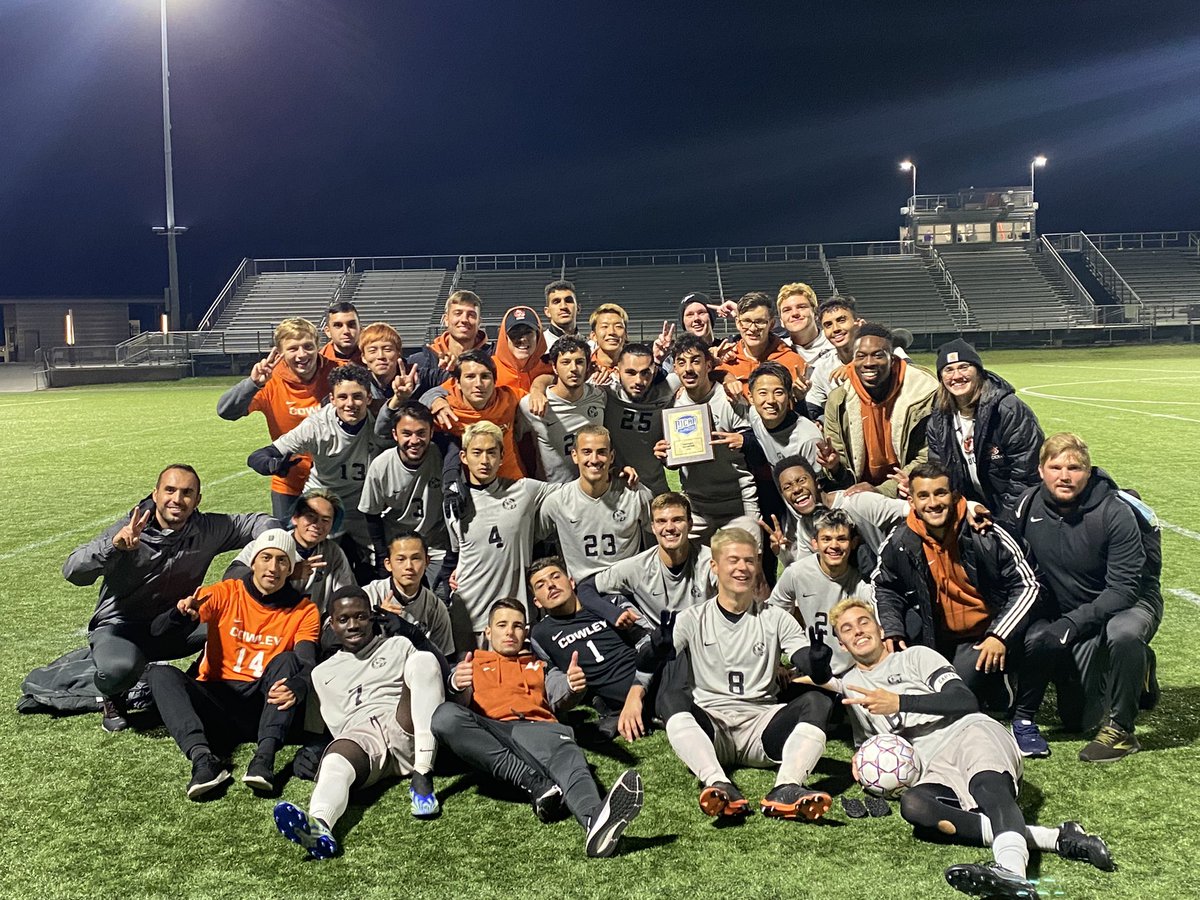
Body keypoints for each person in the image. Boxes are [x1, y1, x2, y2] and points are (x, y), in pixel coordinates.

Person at [832, 598, 1114, 899]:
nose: (858, 631)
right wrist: (860, 759)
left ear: (878, 627)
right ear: (843, 644)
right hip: (933, 764)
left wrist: (900, 702)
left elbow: (964, 699)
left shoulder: (915, 657)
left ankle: (1013, 875)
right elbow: (869, 740)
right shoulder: (852, 684)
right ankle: (1057, 837)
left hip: (970, 730)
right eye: (847, 629)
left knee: (986, 787)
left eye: (863, 622)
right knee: (916, 807)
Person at [64, 463, 275, 731]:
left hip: (175, 625)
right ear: (155, 494)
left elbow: (257, 523)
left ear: (197, 499)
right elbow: (73, 571)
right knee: (118, 670)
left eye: (187, 492)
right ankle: (112, 694)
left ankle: (196, 685)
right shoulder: (129, 529)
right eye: (170, 490)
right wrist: (112, 547)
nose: (177, 499)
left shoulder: (207, 529)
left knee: (239, 622)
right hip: (121, 628)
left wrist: (280, 544)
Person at [431, 598, 645, 858]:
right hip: (495, 734)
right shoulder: (471, 664)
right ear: (488, 632)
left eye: (517, 626)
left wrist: (573, 686)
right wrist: (456, 684)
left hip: (544, 732)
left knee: (573, 767)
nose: (510, 632)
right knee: (444, 716)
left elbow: (560, 694)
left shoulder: (540, 665)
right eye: (502, 625)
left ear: (526, 632)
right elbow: (457, 710)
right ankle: (535, 783)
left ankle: (595, 823)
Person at [662, 527, 836, 821]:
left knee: (819, 702)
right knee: (670, 698)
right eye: (733, 561)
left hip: (762, 726)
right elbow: (651, 660)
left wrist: (817, 662)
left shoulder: (775, 617)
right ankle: (718, 782)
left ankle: (786, 788)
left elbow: (806, 661)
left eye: (750, 561)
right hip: (712, 726)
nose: (743, 568)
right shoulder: (692, 618)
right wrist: (657, 648)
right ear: (714, 567)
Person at [1010, 433, 1162, 762]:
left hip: (1129, 603)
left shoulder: (1114, 511)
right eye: (1056, 467)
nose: (1065, 476)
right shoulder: (1027, 505)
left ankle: (1122, 730)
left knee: (1123, 634)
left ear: (1089, 473)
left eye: (1075, 468)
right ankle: (1140, 668)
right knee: (1078, 720)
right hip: (1077, 611)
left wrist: (1071, 623)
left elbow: (1123, 590)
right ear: (1041, 471)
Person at [145, 529, 319, 799]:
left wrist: (299, 684)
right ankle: (203, 760)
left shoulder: (304, 610)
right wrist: (179, 616)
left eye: (282, 561)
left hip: (265, 706)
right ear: (253, 562)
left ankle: (264, 759)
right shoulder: (226, 593)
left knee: (287, 660)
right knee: (159, 674)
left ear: (291, 569)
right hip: (218, 700)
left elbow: (307, 662)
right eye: (266, 558)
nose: (272, 567)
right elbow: (158, 630)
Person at [273, 589, 445, 859]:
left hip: (404, 723)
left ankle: (422, 776)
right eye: (344, 619)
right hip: (362, 741)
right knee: (334, 761)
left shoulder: (398, 645)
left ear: (372, 618)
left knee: (424, 660)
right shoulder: (321, 673)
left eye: (361, 617)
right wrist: (308, 753)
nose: (353, 625)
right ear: (331, 623)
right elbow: (318, 732)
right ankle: (320, 826)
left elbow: (433, 679)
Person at [872, 462, 1039, 711]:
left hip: (984, 633)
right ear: (912, 502)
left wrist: (999, 635)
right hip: (938, 633)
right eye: (923, 496)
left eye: (940, 493)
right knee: (927, 687)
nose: (933, 503)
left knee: (958, 697)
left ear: (955, 495)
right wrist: (892, 628)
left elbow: (1027, 585)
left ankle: (1001, 675)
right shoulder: (900, 539)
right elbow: (883, 585)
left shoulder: (985, 531)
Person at [248, 363, 393, 576]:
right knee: (300, 567)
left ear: (369, 397)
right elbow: (258, 456)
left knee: (385, 567)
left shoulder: (382, 422)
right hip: (323, 508)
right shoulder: (317, 425)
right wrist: (272, 465)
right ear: (332, 399)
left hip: (365, 509)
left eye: (357, 396)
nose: (350, 404)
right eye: (342, 397)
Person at [445, 421, 557, 644]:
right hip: (470, 617)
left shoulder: (525, 490)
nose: (484, 460)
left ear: (502, 456)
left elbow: (574, 491)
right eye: (477, 453)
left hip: (516, 619)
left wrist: (617, 473)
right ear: (464, 457)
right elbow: (459, 552)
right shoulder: (454, 503)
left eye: (491, 453)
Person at [216, 317, 336, 519]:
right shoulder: (271, 381)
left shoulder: (335, 373)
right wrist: (253, 383)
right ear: (280, 353)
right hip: (288, 482)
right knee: (287, 544)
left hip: (333, 481)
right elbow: (226, 411)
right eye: (293, 348)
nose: (302, 354)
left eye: (308, 346)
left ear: (318, 346)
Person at [527, 558, 655, 741]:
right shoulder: (540, 634)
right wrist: (569, 685)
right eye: (540, 585)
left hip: (652, 680)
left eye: (555, 577)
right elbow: (552, 681)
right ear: (536, 602)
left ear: (571, 582)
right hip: (614, 699)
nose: (550, 585)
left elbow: (651, 642)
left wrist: (638, 688)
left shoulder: (607, 604)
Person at [925, 339, 1044, 527]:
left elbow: (1025, 473)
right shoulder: (938, 420)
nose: (956, 376)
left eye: (964, 367)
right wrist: (965, 509)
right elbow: (940, 472)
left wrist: (1005, 522)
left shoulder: (1007, 410)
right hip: (971, 512)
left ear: (978, 371)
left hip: (1014, 514)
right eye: (948, 370)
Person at [657, 334, 759, 544]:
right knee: (685, 563)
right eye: (681, 363)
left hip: (738, 498)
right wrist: (666, 456)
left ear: (709, 364)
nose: (689, 369)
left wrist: (742, 439)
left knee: (746, 566)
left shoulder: (729, 396)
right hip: (697, 504)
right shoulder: (672, 407)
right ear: (675, 368)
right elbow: (675, 462)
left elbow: (758, 440)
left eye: (695, 361)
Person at [820, 323, 938, 498]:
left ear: (892, 358)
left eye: (878, 355)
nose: (868, 363)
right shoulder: (838, 400)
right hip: (859, 495)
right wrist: (835, 467)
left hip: (910, 490)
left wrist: (884, 490)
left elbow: (928, 455)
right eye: (861, 356)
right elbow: (844, 472)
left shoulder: (923, 392)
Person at [579, 491, 717, 628]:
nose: (669, 528)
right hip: (665, 645)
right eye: (661, 521)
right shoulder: (637, 568)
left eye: (677, 520)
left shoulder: (711, 561)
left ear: (690, 524)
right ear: (653, 527)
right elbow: (586, 589)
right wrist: (614, 613)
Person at [537, 425, 653, 580]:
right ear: (574, 456)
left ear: (611, 457)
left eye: (601, 452)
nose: (594, 459)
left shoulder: (635, 493)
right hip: (584, 588)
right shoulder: (557, 502)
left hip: (629, 585)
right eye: (587, 452)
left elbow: (661, 531)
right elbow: (535, 539)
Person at [767, 509, 874, 676]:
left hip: (856, 671)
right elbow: (772, 618)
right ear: (815, 543)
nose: (834, 546)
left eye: (841, 539)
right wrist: (776, 665)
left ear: (853, 542)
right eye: (826, 539)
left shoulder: (862, 581)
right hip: (813, 669)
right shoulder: (797, 573)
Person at [225, 489, 355, 616]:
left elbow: (347, 593)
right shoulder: (269, 543)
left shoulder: (333, 553)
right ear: (295, 518)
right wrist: (287, 574)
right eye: (310, 516)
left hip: (310, 626)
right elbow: (230, 577)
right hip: (263, 625)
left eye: (325, 520)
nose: (317, 524)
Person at [765, 455, 908, 570]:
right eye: (787, 487)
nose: (796, 489)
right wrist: (783, 553)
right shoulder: (805, 526)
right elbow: (805, 574)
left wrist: (912, 492)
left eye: (801, 480)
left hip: (892, 586)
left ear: (817, 482)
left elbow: (909, 510)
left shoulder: (856, 501)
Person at [362, 401, 449, 584]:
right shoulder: (381, 465)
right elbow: (372, 514)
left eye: (421, 433)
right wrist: (382, 557)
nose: (414, 441)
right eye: (406, 434)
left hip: (435, 546)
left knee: (441, 598)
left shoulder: (443, 457)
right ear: (395, 434)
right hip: (398, 547)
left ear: (431, 433)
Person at [426, 349, 525, 482]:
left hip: (511, 485)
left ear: (495, 381)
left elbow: (545, 398)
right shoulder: (445, 411)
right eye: (470, 377)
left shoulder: (508, 398)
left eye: (485, 376)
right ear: (457, 383)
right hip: (467, 491)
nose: (478, 384)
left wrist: (538, 388)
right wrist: (431, 399)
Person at [518, 336, 607, 483]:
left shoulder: (600, 396)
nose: (573, 369)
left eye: (579, 362)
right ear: (554, 367)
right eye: (565, 362)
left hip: (592, 489)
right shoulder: (531, 405)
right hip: (552, 493)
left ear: (587, 366)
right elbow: (514, 443)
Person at [362, 532, 455, 657]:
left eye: (416, 558)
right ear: (388, 564)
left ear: (427, 561)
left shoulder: (436, 607)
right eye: (401, 559)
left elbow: (442, 658)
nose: (409, 566)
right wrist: (373, 623)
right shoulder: (368, 596)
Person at [603, 342, 677, 497]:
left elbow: (706, 374)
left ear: (655, 371)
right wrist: (537, 388)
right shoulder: (604, 392)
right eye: (631, 372)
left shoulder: (668, 389)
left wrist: (728, 378)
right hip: (615, 489)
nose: (639, 381)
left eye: (645, 373)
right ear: (617, 372)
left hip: (656, 490)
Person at [715, 292, 807, 400]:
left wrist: (800, 399)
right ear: (737, 323)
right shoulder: (724, 363)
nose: (753, 328)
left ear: (771, 324)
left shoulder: (793, 362)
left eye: (760, 322)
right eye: (746, 321)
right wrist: (724, 374)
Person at [409, 289, 489, 397]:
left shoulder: (493, 357)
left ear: (479, 322)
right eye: (458, 313)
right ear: (446, 319)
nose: (464, 319)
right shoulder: (420, 361)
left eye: (471, 315)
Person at [805, 295, 862, 419]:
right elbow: (812, 408)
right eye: (828, 325)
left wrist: (856, 367)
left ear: (858, 324)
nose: (835, 329)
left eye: (841, 320)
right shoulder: (823, 367)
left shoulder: (883, 356)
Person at [494, 306, 552, 394]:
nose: (523, 339)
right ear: (504, 337)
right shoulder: (489, 368)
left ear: (538, 336)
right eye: (515, 333)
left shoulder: (551, 367)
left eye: (528, 332)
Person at [777, 282, 833, 368]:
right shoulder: (778, 350)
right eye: (787, 310)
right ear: (781, 320)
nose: (795, 313)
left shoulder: (835, 343)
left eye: (801, 307)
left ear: (815, 313)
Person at [358, 321, 406, 412]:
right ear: (363, 358)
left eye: (387, 349)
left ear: (398, 354)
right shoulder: (357, 385)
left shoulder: (418, 379)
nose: (380, 356)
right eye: (372, 351)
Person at [588, 302, 629, 385]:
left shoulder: (635, 366)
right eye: (605, 326)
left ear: (626, 335)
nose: (612, 332)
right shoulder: (583, 366)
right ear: (593, 335)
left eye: (618, 326)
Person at [321, 301, 362, 366]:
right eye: (338, 325)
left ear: (360, 329)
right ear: (328, 331)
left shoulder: (373, 360)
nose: (346, 331)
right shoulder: (318, 363)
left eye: (351, 325)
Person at [543, 279, 580, 349]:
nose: (563, 306)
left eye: (568, 301)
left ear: (578, 308)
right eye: (556, 302)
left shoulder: (591, 346)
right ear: (547, 312)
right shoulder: (537, 347)